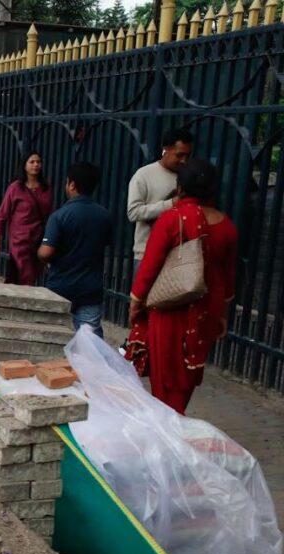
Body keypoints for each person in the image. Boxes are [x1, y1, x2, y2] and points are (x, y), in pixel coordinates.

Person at [126, 159, 237, 414]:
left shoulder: (172, 219)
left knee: (165, 377)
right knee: (187, 374)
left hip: (171, 308)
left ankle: (168, 431)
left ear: (180, 187)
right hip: (206, 311)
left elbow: (149, 268)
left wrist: (135, 304)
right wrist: (222, 315)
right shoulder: (227, 226)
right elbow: (228, 279)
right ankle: (176, 421)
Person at [37, 161, 112, 337]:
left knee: (54, 337)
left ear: (71, 184)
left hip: (61, 287)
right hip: (90, 289)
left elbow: (46, 252)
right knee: (90, 341)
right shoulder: (104, 215)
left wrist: (40, 253)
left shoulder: (60, 216)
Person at [127, 128, 193, 273]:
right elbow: (133, 213)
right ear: (166, 150)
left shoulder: (189, 176)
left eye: (188, 156)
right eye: (179, 155)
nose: (184, 161)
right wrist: (171, 203)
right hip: (147, 255)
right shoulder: (144, 175)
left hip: (180, 257)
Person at [0, 151, 54, 285]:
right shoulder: (15, 188)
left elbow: (50, 215)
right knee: (21, 274)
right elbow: (2, 214)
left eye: (38, 162)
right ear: (24, 166)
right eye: (32, 162)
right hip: (19, 241)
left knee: (31, 275)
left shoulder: (46, 188)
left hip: (38, 238)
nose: (36, 165)